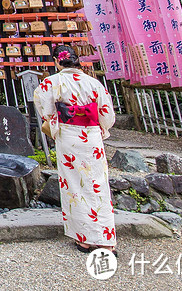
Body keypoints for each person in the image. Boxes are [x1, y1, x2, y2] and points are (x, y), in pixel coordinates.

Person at [33, 45, 117, 253]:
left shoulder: (51, 83)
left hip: (69, 137)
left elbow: (46, 111)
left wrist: (55, 122)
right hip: (91, 137)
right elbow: (107, 117)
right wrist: (101, 129)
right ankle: (107, 239)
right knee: (98, 184)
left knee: (75, 186)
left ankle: (85, 239)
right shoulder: (94, 84)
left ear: (56, 61)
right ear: (77, 60)